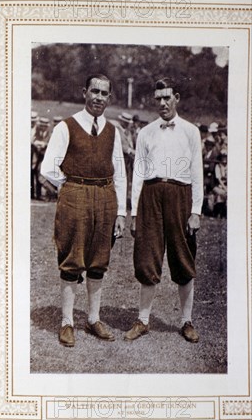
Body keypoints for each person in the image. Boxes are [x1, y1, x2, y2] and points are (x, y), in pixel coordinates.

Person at [40, 74, 127, 347]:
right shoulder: (67, 126)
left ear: (109, 98)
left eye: (104, 94)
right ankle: (67, 322)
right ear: (84, 92)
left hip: (105, 196)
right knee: (72, 258)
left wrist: (121, 212)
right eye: (95, 92)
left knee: (99, 259)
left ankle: (93, 318)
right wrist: (70, 185)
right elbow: (48, 167)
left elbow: (121, 174)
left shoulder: (113, 131)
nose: (99, 98)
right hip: (75, 194)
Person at [127, 77, 203, 343]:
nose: (162, 103)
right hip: (150, 195)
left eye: (167, 97)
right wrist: (134, 213)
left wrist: (196, 210)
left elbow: (197, 173)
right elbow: (138, 172)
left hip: (180, 196)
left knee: (183, 258)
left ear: (177, 98)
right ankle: (143, 320)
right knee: (147, 257)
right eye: (158, 98)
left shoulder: (191, 131)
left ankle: (186, 321)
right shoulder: (145, 132)